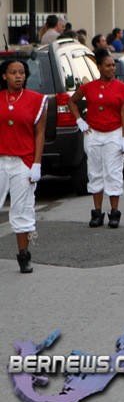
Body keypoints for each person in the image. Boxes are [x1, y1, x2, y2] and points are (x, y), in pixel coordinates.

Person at [67, 49, 124, 228]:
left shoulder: (122, 88)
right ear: (99, 67)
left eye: (113, 66)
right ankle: (97, 213)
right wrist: (79, 120)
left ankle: (114, 213)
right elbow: (71, 102)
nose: (112, 68)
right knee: (95, 172)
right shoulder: (89, 87)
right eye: (108, 65)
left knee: (113, 172)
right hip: (93, 133)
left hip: (114, 133)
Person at [0, 59, 46, 273]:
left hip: (23, 161)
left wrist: (36, 163)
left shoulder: (36, 100)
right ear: (4, 76)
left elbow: (40, 133)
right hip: (1, 160)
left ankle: (23, 255)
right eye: (13, 72)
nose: (18, 76)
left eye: (21, 72)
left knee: (22, 210)